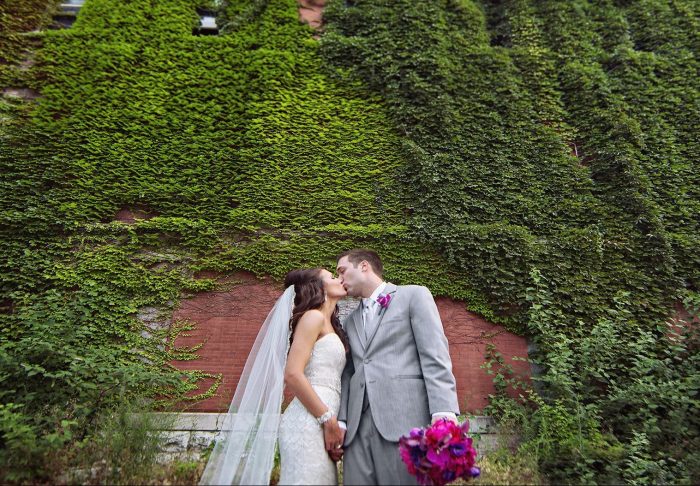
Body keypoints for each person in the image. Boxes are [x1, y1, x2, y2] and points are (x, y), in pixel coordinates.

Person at [199, 268, 348, 485]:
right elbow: (293, 374)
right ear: (319, 287)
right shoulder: (313, 317)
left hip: (324, 421)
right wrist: (327, 419)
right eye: (332, 277)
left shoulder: (332, 325)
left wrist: (334, 424)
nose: (339, 279)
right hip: (309, 421)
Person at [336, 249, 460, 485]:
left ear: (364, 266)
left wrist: (444, 411)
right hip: (357, 427)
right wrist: (342, 420)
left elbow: (434, 355)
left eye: (342, 271)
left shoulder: (413, 296)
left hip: (404, 420)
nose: (339, 279)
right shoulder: (350, 320)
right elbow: (349, 371)